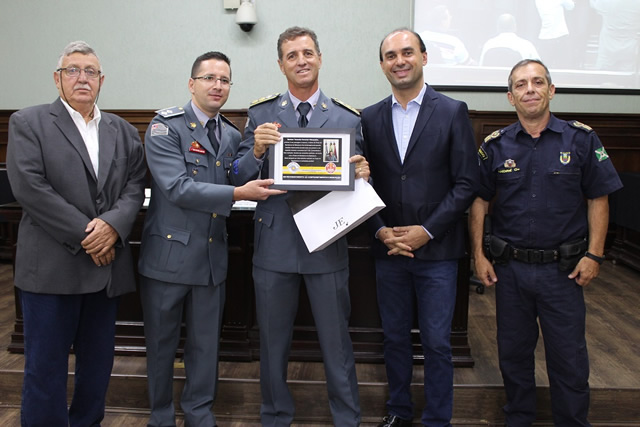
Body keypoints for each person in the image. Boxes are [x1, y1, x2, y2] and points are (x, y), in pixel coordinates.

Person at [469, 59, 623, 426]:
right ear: (511, 97)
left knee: (569, 359)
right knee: (513, 356)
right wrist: (478, 255)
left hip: (563, 272)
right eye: (521, 85)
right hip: (511, 271)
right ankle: (519, 419)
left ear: (551, 90)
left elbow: (598, 197)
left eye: (538, 82)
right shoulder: (495, 145)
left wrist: (595, 255)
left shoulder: (580, 139)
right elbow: (479, 201)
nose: (530, 90)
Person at [229, 26, 369, 426]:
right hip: (274, 246)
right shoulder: (261, 114)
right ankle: (275, 417)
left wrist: (364, 174)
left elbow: (358, 178)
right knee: (272, 344)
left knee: (337, 344)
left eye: (307, 53)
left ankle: (347, 419)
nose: (301, 61)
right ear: (280, 64)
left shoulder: (346, 117)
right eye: (292, 55)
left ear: (320, 59)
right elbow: (237, 175)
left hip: (327, 245)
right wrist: (257, 151)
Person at [138, 51, 284, 427]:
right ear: (192, 84)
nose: (217, 85)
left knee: (206, 347)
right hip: (168, 258)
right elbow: (176, 187)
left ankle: (199, 413)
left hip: (210, 259)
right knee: (161, 346)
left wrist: (256, 151)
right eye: (209, 78)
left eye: (224, 80)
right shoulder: (165, 127)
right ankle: (160, 416)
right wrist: (237, 194)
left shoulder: (232, 133)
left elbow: (238, 175)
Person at [6, 40, 147, 426]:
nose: (82, 78)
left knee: (97, 366)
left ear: (102, 80)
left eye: (90, 72)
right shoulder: (28, 122)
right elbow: (30, 188)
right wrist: (90, 235)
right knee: (45, 368)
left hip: (105, 272)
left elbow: (134, 186)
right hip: (52, 270)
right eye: (73, 70)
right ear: (57, 79)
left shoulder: (122, 130)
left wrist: (112, 226)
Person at [360, 29, 480, 427]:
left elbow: (467, 183)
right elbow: (363, 184)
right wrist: (380, 230)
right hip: (388, 249)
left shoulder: (452, 111)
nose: (399, 61)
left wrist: (426, 231)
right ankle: (398, 411)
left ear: (424, 57)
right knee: (394, 338)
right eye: (391, 55)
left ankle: (437, 419)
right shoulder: (369, 117)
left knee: (437, 342)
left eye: (407, 52)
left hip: (438, 251)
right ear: (382, 65)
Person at [590, 0, 640, 72]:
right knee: (627, 76)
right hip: (630, 47)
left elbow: (593, 3)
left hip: (608, 48)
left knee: (604, 75)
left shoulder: (607, 2)